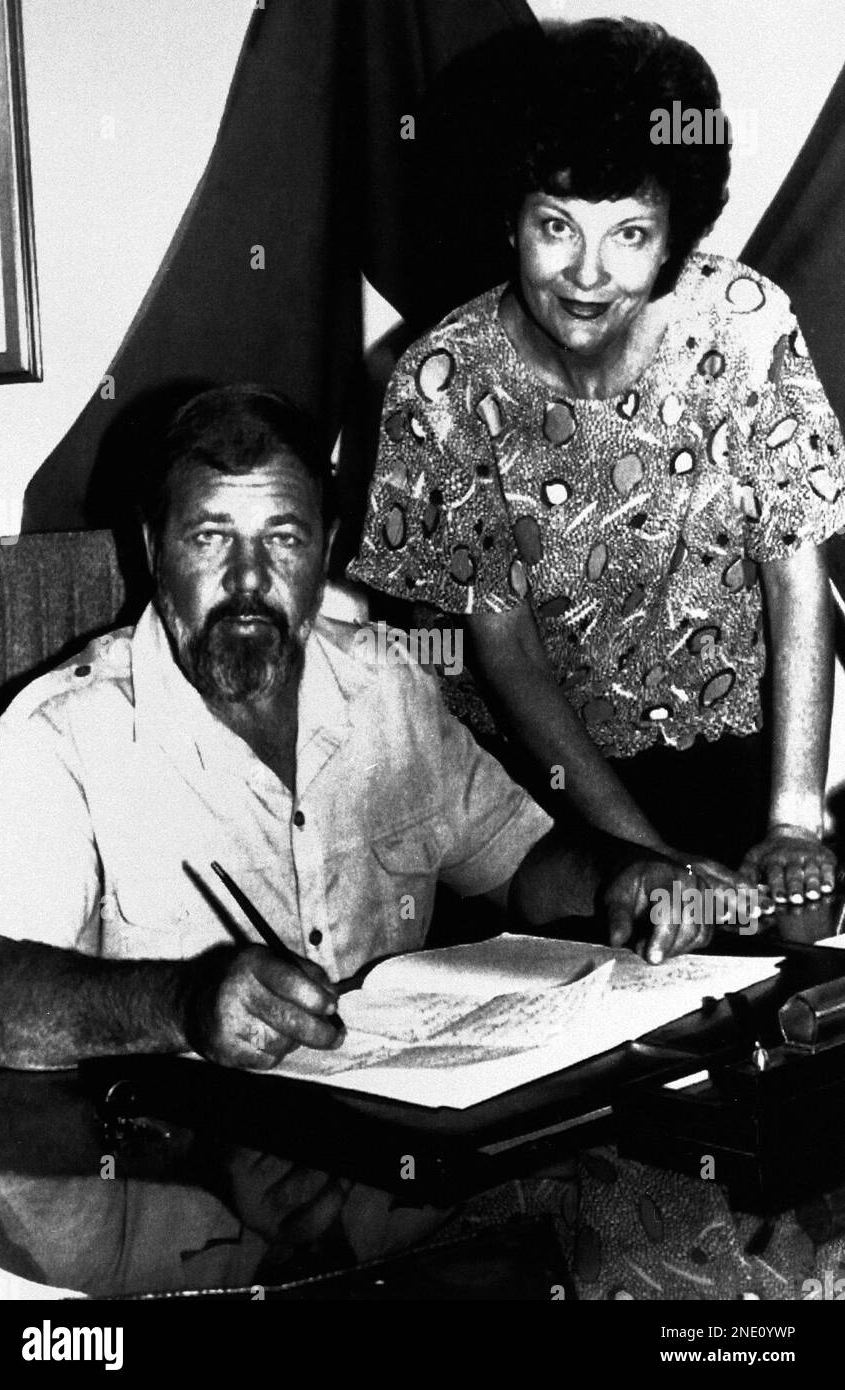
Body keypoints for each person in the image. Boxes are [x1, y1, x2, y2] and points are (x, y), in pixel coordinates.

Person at [0, 384, 708, 1075]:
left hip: (397, 1149)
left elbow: (519, 866)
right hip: (176, 1168)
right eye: (208, 538)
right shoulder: (64, 737)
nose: (248, 580)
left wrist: (620, 876)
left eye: (283, 540)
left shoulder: (386, 684)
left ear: (324, 551)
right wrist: (180, 1003)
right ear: (153, 551)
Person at [347, 18, 845, 905]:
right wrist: (643, 862)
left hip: (722, 758)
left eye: (627, 234)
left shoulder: (742, 325)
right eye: (555, 226)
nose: (585, 272)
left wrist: (792, 822)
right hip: (539, 800)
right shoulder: (442, 384)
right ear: (510, 219)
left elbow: (793, 575)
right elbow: (503, 648)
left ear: (672, 237)